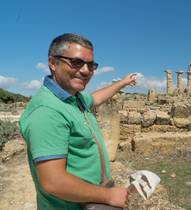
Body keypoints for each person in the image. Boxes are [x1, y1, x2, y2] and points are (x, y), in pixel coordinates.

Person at [19, 33, 136, 210]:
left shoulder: (75, 99)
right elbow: (54, 182)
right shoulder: (47, 111)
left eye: (91, 65)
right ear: (52, 63)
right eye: (76, 62)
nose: (85, 71)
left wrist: (122, 83)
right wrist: (109, 195)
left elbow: (96, 99)